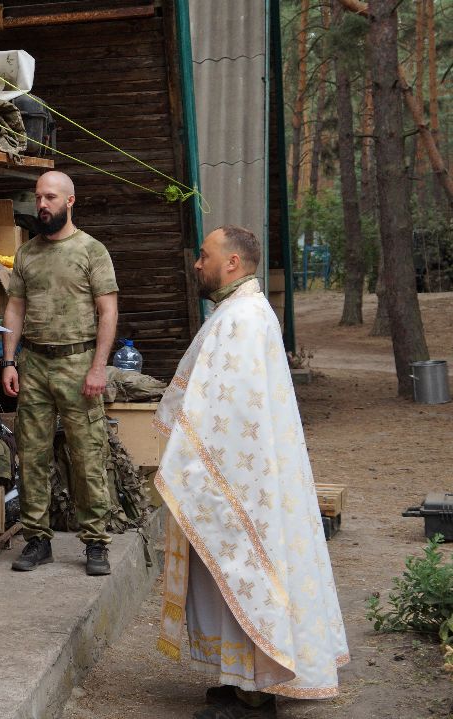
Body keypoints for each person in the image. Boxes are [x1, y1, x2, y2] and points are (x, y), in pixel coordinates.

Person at [154, 226, 348, 718]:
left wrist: (194, 462)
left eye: (205, 255)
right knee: (231, 577)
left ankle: (256, 694)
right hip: (248, 477)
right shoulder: (240, 311)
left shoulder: (242, 319)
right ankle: (240, 678)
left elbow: (230, 413)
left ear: (233, 262)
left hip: (244, 482)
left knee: (246, 570)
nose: (197, 264)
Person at [1, 170, 119, 576]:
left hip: (79, 364)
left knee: (87, 455)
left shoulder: (91, 251)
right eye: (38, 197)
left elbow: (108, 311)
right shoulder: (26, 254)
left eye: (50, 197)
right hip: (33, 365)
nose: (42, 205)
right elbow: (14, 309)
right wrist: (9, 360)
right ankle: (37, 539)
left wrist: (99, 367)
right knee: (32, 455)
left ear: (70, 201)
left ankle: (96, 542)